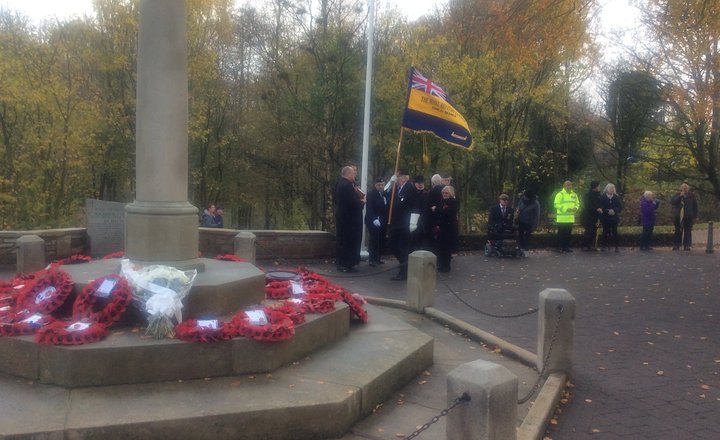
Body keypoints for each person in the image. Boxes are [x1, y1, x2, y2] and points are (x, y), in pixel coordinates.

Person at [387, 170, 420, 281]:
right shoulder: (397, 188)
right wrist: (390, 183)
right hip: (396, 223)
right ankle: (404, 265)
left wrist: (413, 222)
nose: (397, 178)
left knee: (403, 248)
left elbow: (416, 206)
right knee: (392, 245)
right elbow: (385, 194)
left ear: (405, 178)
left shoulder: (410, 189)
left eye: (398, 176)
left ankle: (404, 271)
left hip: (405, 224)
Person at [334, 166, 365, 272]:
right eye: (353, 174)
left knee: (343, 240)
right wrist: (361, 202)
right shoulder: (346, 186)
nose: (354, 175)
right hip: (349, 220)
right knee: (348, 241)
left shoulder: (339, 184)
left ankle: (344, 263)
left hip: (343, 217)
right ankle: (345, 264)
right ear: (348, 174)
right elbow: (352, 202)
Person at [430, 186, 459, 272]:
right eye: (443, 193)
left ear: (450, 194)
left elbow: (448, 213)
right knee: (440, 248)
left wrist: (436, 209)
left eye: (446, 193)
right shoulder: (442, 201)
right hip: (441, 228)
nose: (444, 195)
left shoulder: (453, 202)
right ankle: (442, 264)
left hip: (448, 229)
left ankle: (446, 266)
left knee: (447, 249)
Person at [364, 177, 388, 267]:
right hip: (372, 220)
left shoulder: (383, 194)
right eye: (378, 185)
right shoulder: (371, 194)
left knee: (380, 239)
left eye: (382, 185)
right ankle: (372, 259)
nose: (380, 186)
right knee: (373, 239)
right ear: (375, 185)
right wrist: (374, 219)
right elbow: (369, 207)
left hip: (382, 220)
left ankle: (378, 258)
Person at [553, 180, 580, 252]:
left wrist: (575, 208)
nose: (570, 186)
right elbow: (556, 204)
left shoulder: (574, 195)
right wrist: (566, 209)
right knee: (561, 234)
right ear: (564, 186)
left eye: (571, 185)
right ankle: (559, 248)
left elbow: (577, 203)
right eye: (568, 185)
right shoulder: (560, 194)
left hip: (570, 218)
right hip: (561, 219)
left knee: (568, 234)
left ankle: (566, 247)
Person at [671, 182, 698, 251]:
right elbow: (673, 202)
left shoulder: (691, 195)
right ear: (681, 189)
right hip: (679, 216)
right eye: (683, 188)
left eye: (686, 188)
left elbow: (695, 206)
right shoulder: (677, 194)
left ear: (688, 189)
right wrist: (680, 196)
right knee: (678, 231)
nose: (685, 190)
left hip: (688, 216)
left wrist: (695, 215)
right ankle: (676, 245)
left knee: (688, 231)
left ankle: (687, 245)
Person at [516, 190, 540, 256]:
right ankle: (521, 248)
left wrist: (535, 225)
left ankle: (526, 250)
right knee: (520, 235)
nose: (524, 197)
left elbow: (537, 215)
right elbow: (518, 208)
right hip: (521, 221)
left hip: (529, 222)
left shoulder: (535, 203)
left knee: (527, 236)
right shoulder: (521, 200)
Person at [600, 183, 623, 252]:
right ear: (607, 189)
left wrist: (614, 210)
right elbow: (601, 206)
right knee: (605, 232)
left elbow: (620, 207)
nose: (612, 190)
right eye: (610, 188)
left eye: (613, 188)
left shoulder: (616, 197)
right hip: (605, 217)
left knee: (615, 232)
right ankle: (603, 246)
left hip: (614, 217)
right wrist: (607, 211)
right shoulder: (603, 197)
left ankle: (616, 246)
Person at [581, 180, 602, 251]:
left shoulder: (599, 195)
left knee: (594, 231)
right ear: (595, 187)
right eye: (599, 186)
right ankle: (584, 245)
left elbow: (601, 204)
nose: (600, 187)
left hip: (596, 216)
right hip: (589, 216)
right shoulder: (588, 195)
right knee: (588, 231)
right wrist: (596, 209)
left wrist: (600, 208)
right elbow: (588, 205)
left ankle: (591, 245)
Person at [412, 175, 429, 250]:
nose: (420, 185)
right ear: (414, 184)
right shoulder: (411, 193)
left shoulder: (428, 193)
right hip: (414, 220)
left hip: (425, 219)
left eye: (421, 183)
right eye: (418, 183)